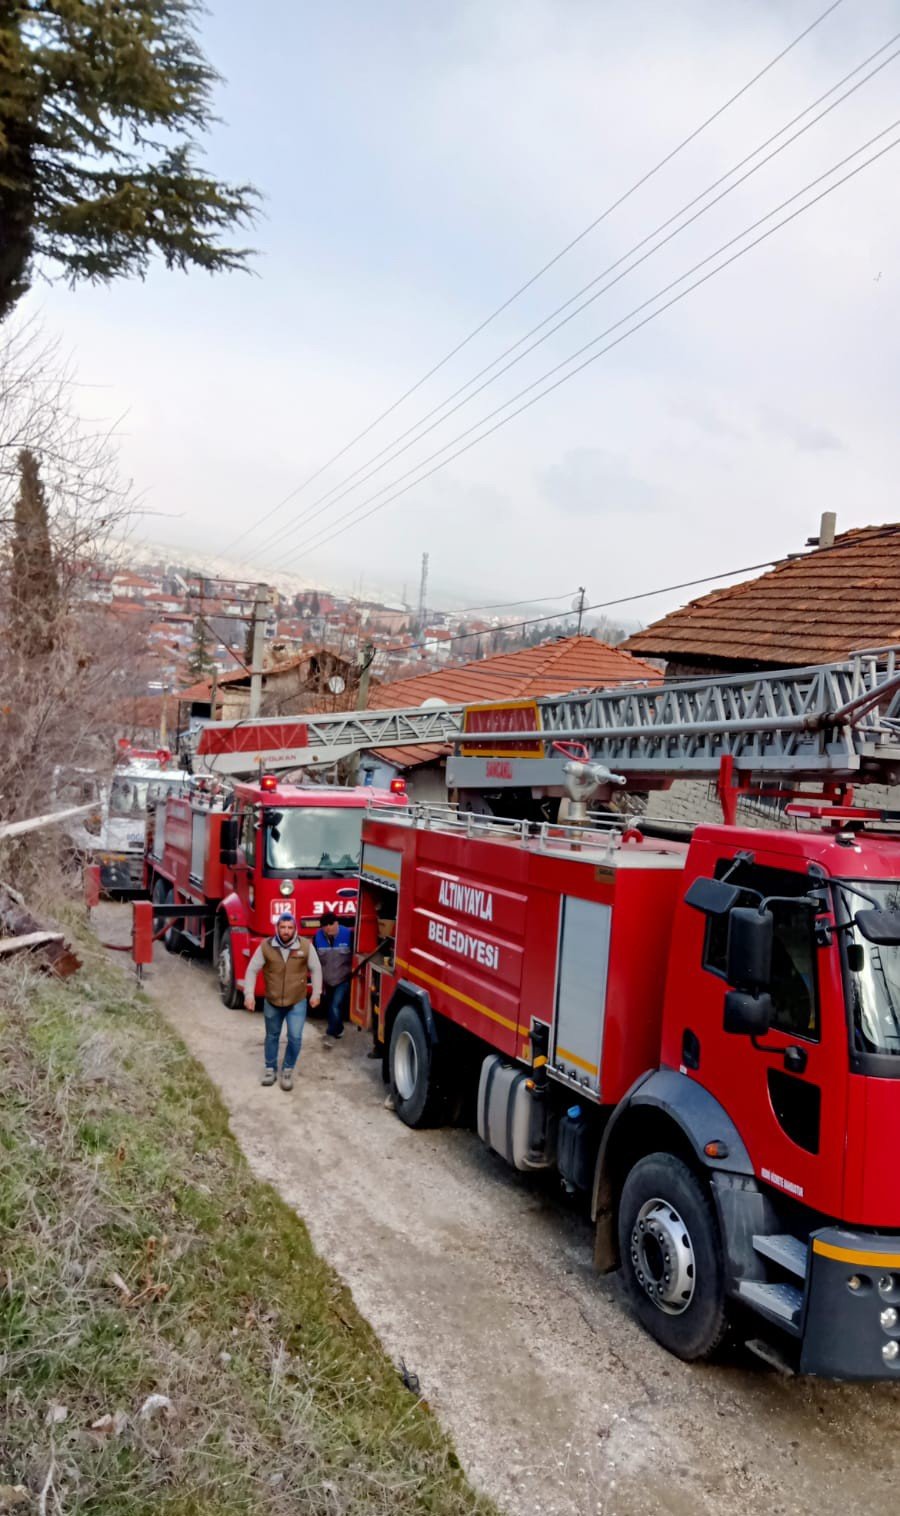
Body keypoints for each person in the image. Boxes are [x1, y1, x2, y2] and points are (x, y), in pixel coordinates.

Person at [244, 912, 322, 1091]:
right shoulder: (266, 946)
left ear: (295, 929)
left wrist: (316, 993)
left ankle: (287, 1070)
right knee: (272, 1036)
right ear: (277, 928)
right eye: (283, 927)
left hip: (297, 1001)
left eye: (290, 927)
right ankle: (270, 1069)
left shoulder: (305, 946)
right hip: (272, 1001)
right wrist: (249, 995)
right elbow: (251, 970)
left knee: (295, 1037)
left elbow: (316, 969)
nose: (286, 931)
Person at [313, 910, 353, 1046]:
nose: (328, 927)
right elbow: (314, 960)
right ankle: (339, 1029)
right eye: (324, 925)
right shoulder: (317, 938)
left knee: (335, 1005)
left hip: (343, 979)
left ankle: (330, 1033)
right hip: (327, 980)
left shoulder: (349, 934)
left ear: (337, 923)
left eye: (331, 924)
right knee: (331, 1006)